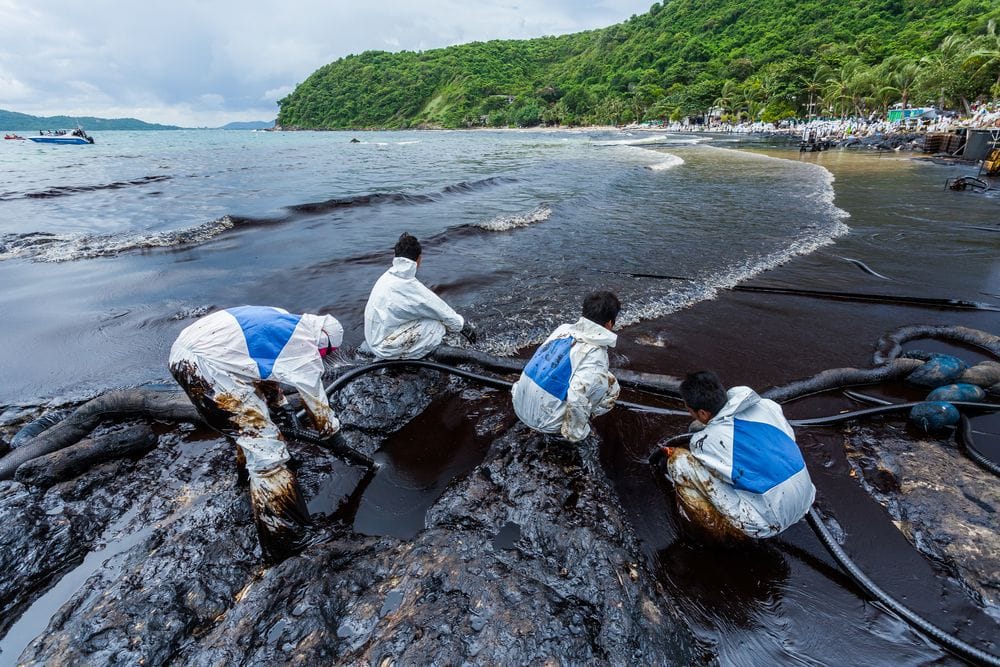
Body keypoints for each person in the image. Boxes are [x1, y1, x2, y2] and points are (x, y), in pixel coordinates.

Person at [169, 305, 345, 563]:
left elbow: (260, 366)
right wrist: (333, 435)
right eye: (326, 352)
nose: (323, 356)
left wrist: (280, 408)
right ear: (323, 341)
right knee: (267, 451)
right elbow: (315, 398)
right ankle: (286, 539)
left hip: (185, 351)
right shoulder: (304, 344)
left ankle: (245, 477)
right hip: (208, 366)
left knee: (248, 424)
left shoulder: (282, 317)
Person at [663, 371, 815, 540]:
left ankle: (716, 534)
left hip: (767, 523)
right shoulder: (767, 405)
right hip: (806, 499)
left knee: (679, 462)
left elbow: (716, 474)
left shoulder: (706, 441)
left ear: (703, 414)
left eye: (689, 409)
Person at [511, 291, 621, 442]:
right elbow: (577, 399)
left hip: (518, 403)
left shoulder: (563, 329)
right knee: (611, 386)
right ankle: (571, 426)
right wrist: (575, 434)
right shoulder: (596, 356)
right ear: (609, 323)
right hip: (545, 424)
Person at [364, 232, 476, 359]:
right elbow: (441, 311)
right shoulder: (409, 285)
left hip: (373, 340)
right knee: (436, 325)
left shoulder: (386, 278)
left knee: (424, 316)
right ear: (418, 259)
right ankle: (419, 356)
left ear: (395, 256)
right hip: (385, 349)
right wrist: (464, 328)